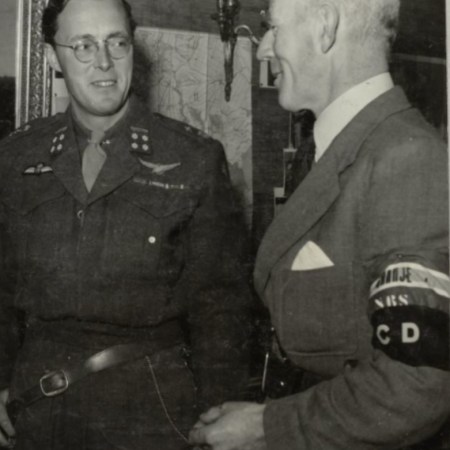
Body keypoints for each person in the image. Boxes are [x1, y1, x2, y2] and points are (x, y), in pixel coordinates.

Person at [189, 0, 450, 449]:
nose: (264, 48)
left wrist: (268, 426)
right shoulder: (337, 147)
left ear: (325, 27)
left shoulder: (406, 159)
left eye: (273, 28)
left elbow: (415, 386)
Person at [0, 0, 252, 448]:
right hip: (36, 405)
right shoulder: (17, 157)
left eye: (117, 42)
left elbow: (221, 307)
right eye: (83, 45)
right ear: (52, 57)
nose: (104, 61)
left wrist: (220, 414)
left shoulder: (192, 158)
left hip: (150, 405)